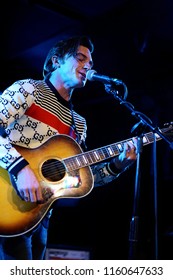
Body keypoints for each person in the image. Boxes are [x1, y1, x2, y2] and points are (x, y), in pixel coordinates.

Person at [0, 35, 137, 260]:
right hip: (5, 201)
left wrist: (117, 165)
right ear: (56, 61)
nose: (87, 66)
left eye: (90, 64)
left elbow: (81, 178)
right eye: (80, 58)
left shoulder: (79, 123)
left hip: (40, 218)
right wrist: (21, 168)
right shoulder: (28, 89)